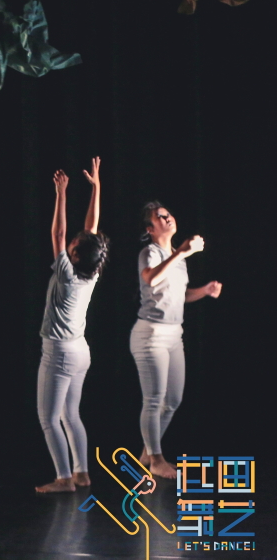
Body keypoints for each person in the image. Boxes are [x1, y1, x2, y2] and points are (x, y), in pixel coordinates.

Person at [35, 158, 109, 493]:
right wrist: (96, 188)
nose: (69, 245)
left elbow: (58, 233)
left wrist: (61, 193)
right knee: (71, 415)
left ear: (75, 256)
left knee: (49, 418)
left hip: (59, 353)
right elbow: (91, 231)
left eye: (73, 248)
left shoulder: (66, 273)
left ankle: (64, 478)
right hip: (80, 351)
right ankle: (82, 473)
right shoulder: (92, 271)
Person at [132, 201, 222, 478]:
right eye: (160, 217)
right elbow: (150, 279)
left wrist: (204, 291)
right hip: (151, 334)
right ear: (150, 229)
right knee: (154, 399)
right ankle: (156, 459)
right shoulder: (150, 252)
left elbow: (180, 296)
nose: (167, 218)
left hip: (174, 335)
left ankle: (147, 453)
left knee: (173, 400)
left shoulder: (177, 258)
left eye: (168, 214)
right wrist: (182, 252)